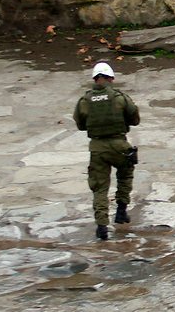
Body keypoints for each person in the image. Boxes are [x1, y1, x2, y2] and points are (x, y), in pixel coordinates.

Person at [73, 62, 140, 240]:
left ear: (95, 79)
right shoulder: (120, 97)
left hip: (97, 147)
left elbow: (80, 125)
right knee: (125, 175)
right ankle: (121, 211)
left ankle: (102, 226)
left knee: (99, 187)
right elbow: (134, 119)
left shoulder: (85, 100)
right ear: (111, 78)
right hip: (119, 144)